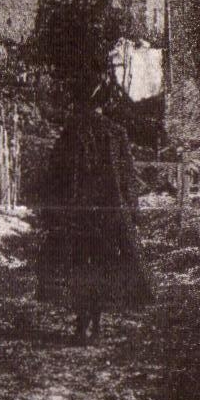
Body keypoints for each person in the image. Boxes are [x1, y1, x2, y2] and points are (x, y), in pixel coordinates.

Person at [44, 85, 154, 342]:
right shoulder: (115, 133)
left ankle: (83, 325)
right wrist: (132, 212)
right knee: (101, 267)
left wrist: (53, 213)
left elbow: (54, 176)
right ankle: (95, 325)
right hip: (107, 214)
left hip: (81, 213)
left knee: (82, 267)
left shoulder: (72, 133)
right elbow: (128, 178)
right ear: (103, 105)